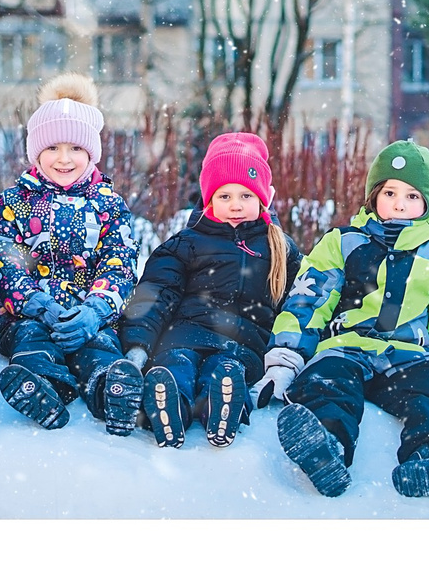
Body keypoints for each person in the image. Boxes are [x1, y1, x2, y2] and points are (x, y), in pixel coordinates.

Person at [262, 140, 429, 499]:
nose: (400, 203)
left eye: (412, 196)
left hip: (409, 356)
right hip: (348, 348)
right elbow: (310, 300)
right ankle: (327, 448)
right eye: (390, 192)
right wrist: (287, 356)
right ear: (374, 196)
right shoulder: (343, 242)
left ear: (427, 204)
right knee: (326, 380)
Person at [106, 130, 295, 448]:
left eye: (246, 196)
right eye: (224, 196)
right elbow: (156, 291)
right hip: (184, 336)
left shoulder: (280, 248)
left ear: (262, 199)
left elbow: (300, 303)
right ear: (209, 201)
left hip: (242, 346)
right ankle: (168, 405)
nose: (235, 205)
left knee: (225, 371)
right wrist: (138, 342)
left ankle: (220, 406)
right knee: (176, 364)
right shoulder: (186, 243)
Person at [0, 75, 140, 434]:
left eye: (75, 148)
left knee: (100, 345)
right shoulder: (14, 203)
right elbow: (5, 264)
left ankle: (110, 390)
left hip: (89, 316)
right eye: (53, 148)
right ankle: (43, 386)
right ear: (36, 152)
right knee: (31, 340)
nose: (64, 158)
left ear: (91, 153)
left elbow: (120, 263)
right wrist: (39, 305)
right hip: (26, 314)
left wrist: (95, 309)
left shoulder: (109, 206)